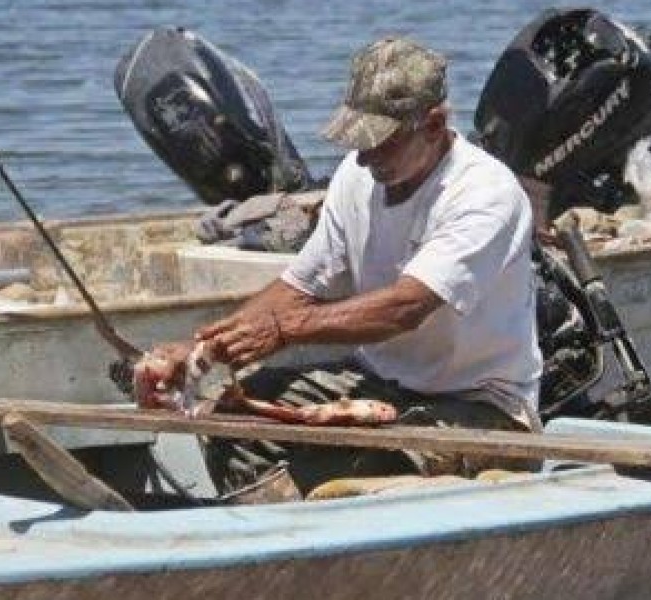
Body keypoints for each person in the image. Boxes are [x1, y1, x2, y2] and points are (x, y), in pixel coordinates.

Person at [146, 36, 544, 499]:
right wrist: (201, 351)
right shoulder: (356, 178)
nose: (366, 156)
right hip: (378, 380)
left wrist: (284, 331)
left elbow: (405, 308)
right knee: (228, 413)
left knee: (364, 459)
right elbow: (298, 287)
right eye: (359, 141)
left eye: (382, 142)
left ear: (433, 125)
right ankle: (276, 541)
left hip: (480, 404)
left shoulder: (483, 193)